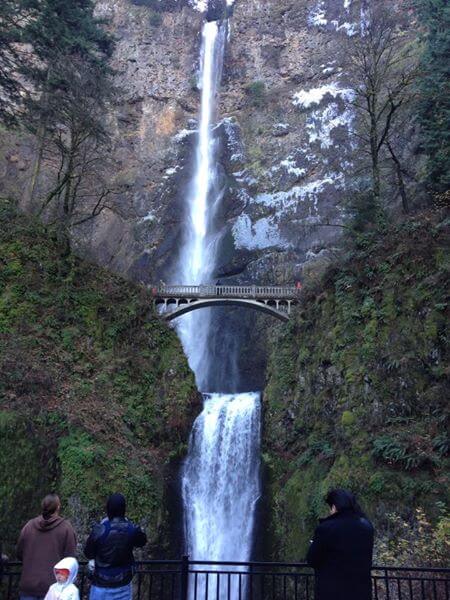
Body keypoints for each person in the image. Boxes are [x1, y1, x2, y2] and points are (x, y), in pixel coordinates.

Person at [306, 488, 374, 600]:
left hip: (332, 592)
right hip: (361, 592)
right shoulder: (367, 527)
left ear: (334, 507)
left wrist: (314, 544)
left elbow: (312, 559)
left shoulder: (326, 528)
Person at [84, 493, 147, 600]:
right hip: (123, 584)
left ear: (108, 509)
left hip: (101, 584)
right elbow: (142, 542)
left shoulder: (99, 530)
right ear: (124, 509)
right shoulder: (132, 530)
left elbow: (88, 553)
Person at [17, 494, 77, 600]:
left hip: (29, 584)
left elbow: (19, 553)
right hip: (54, 588)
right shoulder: (66, 528)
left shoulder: (29, 526)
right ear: (58, 507)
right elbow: (70, 559)